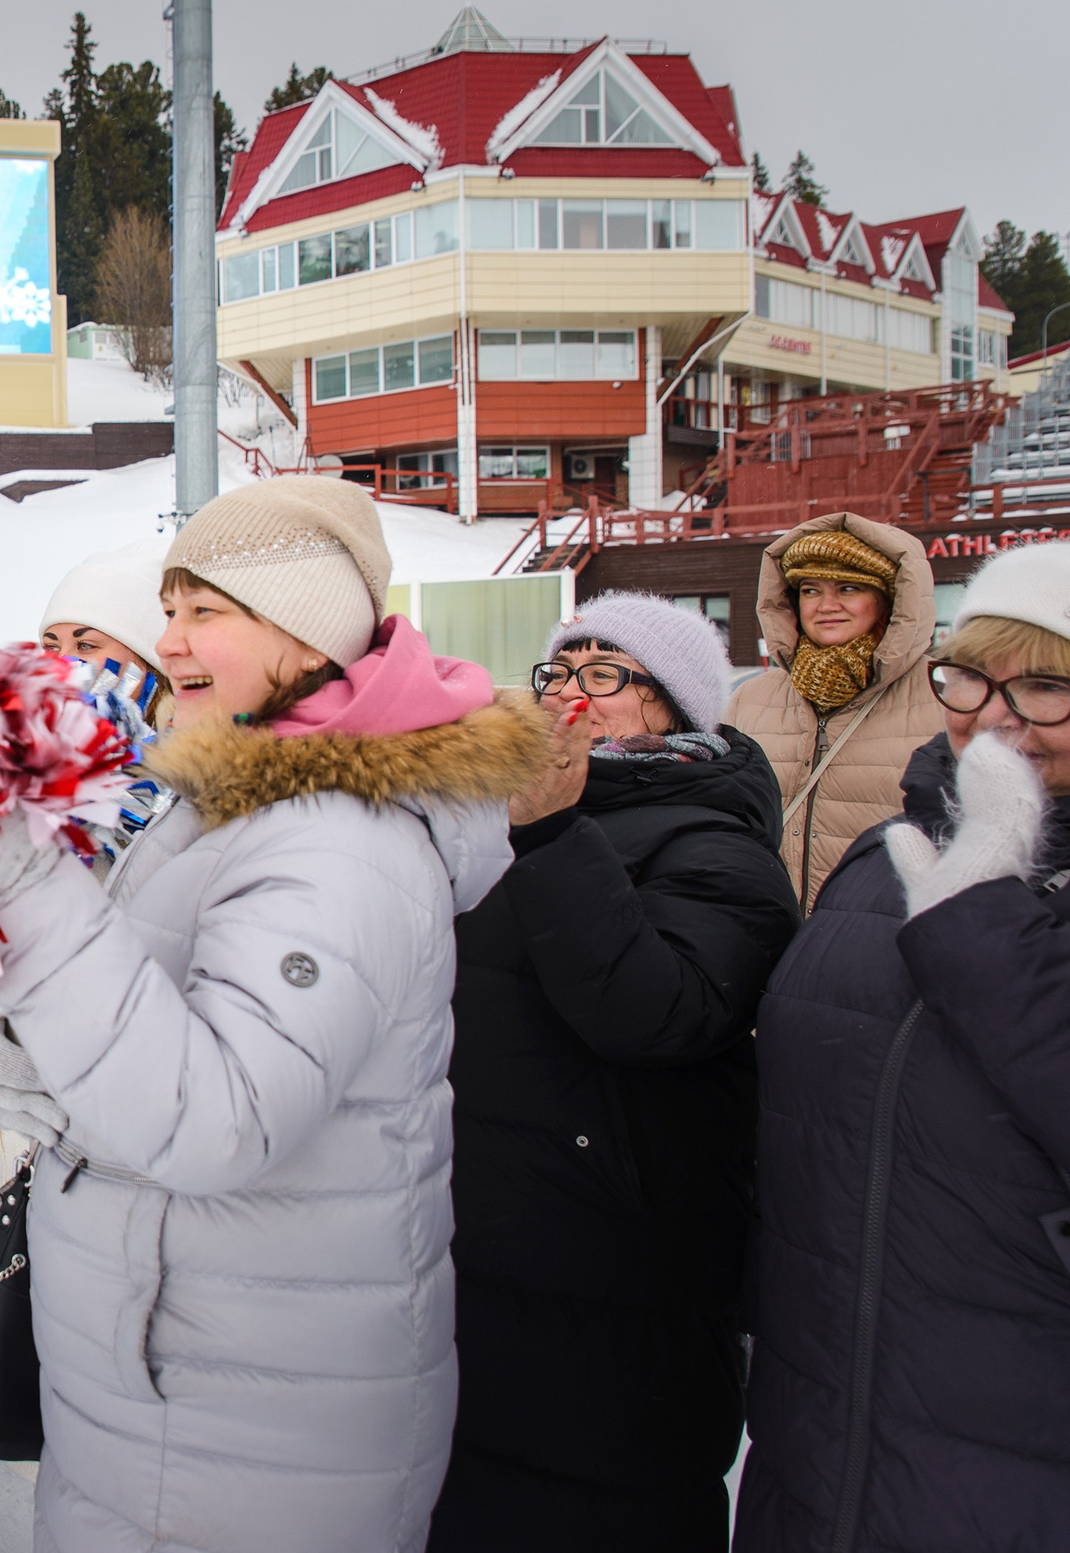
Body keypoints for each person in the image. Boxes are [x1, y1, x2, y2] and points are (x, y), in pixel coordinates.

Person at [0, 478, 544, 1553]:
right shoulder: (226, 801)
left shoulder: (335, 838)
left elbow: (211, 1120)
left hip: (244, 1421)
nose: (167, 640)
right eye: (167, 610)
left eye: (204, 610)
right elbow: (120, 1024)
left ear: (305, 632)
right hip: (164, 1378)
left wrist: (24, 879)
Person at [428, 594, 802, 1550]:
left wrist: (552, 834)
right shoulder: (503, 821)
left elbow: (658, 1013)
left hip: (621, 1286)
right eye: (560, 671)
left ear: (675, 708)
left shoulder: (717, 846)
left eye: (607, 674)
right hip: (481, 1252)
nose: (570, 695)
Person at [736, 543, 1070, 1551]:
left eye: (1047, 683)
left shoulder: (963, 890)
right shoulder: (889, 857)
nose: (995, 715)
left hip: (1007, 1463)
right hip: (818, 1439)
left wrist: (984, 921)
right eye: (971, 675)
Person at [724, 515, 944, 909]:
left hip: (884, 934)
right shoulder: (751, 698)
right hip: (767, 928)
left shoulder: (944, 699)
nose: (826, 606)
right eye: (810, 590)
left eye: (848, 588)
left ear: (889, 600)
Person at [36, 536, 173, 725]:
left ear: (149, 659)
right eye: (52, 647)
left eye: (84, 645)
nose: (63, 663)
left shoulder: (206, 752)